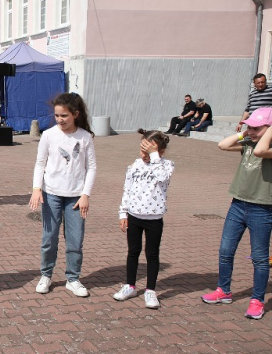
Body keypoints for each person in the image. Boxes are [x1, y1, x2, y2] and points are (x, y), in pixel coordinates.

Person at [202, 107, 272, 319]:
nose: (250, 130)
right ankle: (224, 291)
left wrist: (268, 131)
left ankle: (257, 300)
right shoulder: (248, 143)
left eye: (256, 127)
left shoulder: (265, 147)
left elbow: (261, 151)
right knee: (225, 250)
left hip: (262, 208)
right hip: (238, 204)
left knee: (260, 258)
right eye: (249, 126)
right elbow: (223, 145)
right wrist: (246, 132)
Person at [29, 93, 97, 297]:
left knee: (75, 240)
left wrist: (86, 194)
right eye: (57, 115)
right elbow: (40, 163)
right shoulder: (49, 135)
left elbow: (91, 167)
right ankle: (46, 275)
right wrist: (36, 188)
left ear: (75, 114)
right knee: (49, 238)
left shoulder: (85, 137)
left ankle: (73, 278)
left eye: (64, 116)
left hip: (76, 197)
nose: (60, 119)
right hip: (51, 194)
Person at [113, 129, 175, 309]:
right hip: (134, 216)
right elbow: (127, 190)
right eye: (142, 149)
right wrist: (123, 213)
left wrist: (154, 155)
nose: (144, 154)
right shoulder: (134, 166)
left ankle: (150, 290)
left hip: (154, 218)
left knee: (152, 254)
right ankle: (130, 285)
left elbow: (162, 178)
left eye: (147, 150)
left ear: (159, 151)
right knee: (133, 252)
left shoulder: (167, 165)